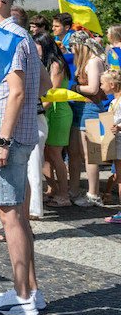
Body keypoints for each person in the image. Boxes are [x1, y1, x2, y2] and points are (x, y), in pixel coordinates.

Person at [0, 0, 50, 315]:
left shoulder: (10, 38)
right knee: (17, 215)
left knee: (10, 218)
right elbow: (45, 84)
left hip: (8, 137)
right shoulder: (26, 40)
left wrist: (3, 141)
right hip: (19, 134)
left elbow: (18, 93)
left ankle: (22, 298)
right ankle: (31, 291)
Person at [67, 31, 108, 207]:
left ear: (80, 46)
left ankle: (93, 194)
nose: (71, 50)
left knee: (90, 155)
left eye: (72, 47)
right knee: (74, 153)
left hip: (92, 110)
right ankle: (73, 190)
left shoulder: (94, 62)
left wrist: (74, 87)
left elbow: (92, 88)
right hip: (80, 108)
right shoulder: (85, 61)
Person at [34, 33, 71, 209]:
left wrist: (37, 111)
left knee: (55, 156)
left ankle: (64, 194)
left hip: (57, 112)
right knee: (46, 156)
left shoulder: (56, 65)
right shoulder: (46, 64)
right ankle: (53, 190)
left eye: (37, 47)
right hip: (47, 111)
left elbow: (53, 93)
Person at [100, 69, 121, 224]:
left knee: (120, 179)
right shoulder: (114, 101)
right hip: (116, 143)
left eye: (102, 83)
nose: (100, 87)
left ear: (112, 85)